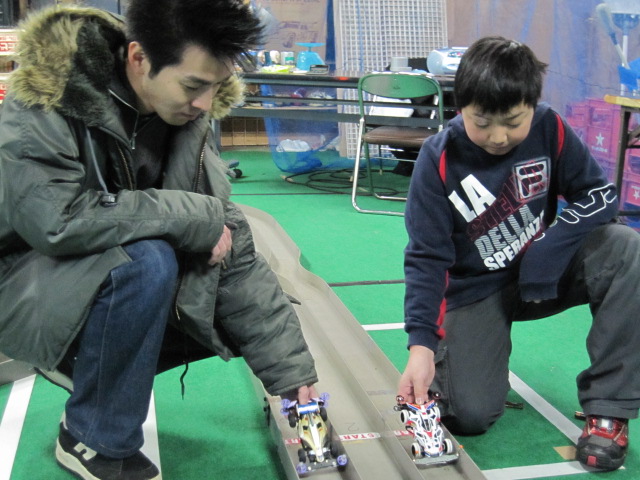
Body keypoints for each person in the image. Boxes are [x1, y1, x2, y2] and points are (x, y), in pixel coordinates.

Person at [0, 1, 319, 479]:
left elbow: (228, 241)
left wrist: (291, 373)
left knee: (204, 262)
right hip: (20, 280)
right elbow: (56, 221)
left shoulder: (184, 119)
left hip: (91, 276)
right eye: (193, 86)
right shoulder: (45, 101)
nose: (205, 103)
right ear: (138, 58)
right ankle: (91, 437)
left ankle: (91, 366)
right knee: (150, 260)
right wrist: (191, 216)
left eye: (215, 87)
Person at [397, 35, 640, 472]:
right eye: (482, 122)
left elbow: (599, 197)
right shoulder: (438, 159)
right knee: (468, 415)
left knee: (626, 248)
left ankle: (609, 410)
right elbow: (427, 260)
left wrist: (549, 246)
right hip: (476, 291)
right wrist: (421, 345)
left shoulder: (550, 128)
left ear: (532, 104)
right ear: (460, 107)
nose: (498, 136)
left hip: (542, 277)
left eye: (513, 121)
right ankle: (480, 363)